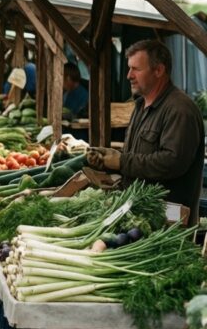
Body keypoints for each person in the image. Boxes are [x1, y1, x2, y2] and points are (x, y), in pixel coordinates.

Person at [86, 40, 205, 224]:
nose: (128, 75)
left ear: (159, 70)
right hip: (139, 213)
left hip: (167, 222)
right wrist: (111, 160)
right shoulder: (140, 105)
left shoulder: (180, 110)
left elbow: (171, 163)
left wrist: (122, 161)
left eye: (136, 69)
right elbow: (139, 156)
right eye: (129, 68)